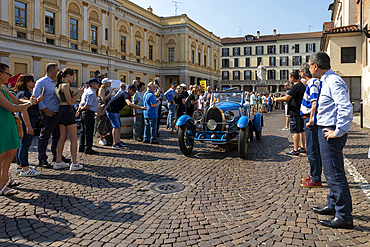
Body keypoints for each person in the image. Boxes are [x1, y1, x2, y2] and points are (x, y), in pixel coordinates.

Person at [309, 52, 354, 229]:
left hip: (331, 132)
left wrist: (339, 131)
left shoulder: (333, 81)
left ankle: (344, 216)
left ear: (315, 66)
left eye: (309, 64)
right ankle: (334, 204)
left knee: (335, 174)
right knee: (330, 172)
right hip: (325, 129)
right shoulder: (327, 80)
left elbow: (345, 106)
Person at [0, 63, 40, 195]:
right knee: (1, 155)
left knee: (11, 152)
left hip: (8, 123)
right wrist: (29, 103)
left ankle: (5, 178)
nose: (10, 76)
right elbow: (12, 107)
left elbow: (17, 102)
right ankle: (1, 184)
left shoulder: (4, 88)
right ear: (0, 74)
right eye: (8, 74)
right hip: (2, 124)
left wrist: (32, 102)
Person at [33, 63, 71, 168]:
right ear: (51, 71)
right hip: (48, 113)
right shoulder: (41, 82)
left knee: (57, 136)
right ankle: (42, 159)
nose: (60, 72)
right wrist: (45, 110)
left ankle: (57, 156)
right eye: (58, 70)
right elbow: (36, 98)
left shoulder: (58, 82)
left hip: (59, 113)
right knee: (45, 136)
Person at [54, 68, 84, 171]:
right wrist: (79, 94)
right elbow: (70, 101)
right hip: (67, 111)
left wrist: (77, 92)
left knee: (62, 138)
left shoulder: (58, 86)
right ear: (68, 75)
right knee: (73, 138)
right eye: (73, 76)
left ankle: (58, 161)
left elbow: (68, 99)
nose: (74, 78)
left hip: (61, 111)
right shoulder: (65, 86)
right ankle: (74, 163)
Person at [14, 74, 43, 176]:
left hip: (24, 122)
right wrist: (28, 125)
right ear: (26, 82)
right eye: (32, 81)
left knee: (21, 145)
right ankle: (25, 169)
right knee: (24, 145)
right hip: (26, 122)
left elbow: (28, 105)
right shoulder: (24, 93)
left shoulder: (21, 93)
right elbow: (24, 110)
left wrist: (37, 101)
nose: (34, 83)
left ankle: (20, 166)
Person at [298, 63, 322, 188]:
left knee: (312, 150)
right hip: (309, 118)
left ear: (303, 72)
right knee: (313, 149)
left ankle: (316, 178)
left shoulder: (312, 83)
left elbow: (314, 102)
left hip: (309, 119)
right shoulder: (313, 83)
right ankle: (314, 175)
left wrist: (311, 120)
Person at [275, 71, 306, 156]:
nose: (289, 80)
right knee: (301, 130)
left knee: (295, 131)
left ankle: (295, 150)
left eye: (289, 78)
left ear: (292, 78)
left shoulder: (295, 87)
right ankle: (303, 148)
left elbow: (287, 97)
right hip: (301, 111)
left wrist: (277, 99)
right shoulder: (302, 86)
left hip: (294, 111)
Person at [106, 84, 146, 149]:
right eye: (133, 91)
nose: (134, 92)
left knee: (119, 126)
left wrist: (135, 104)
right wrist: (140, 108)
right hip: (111, 110)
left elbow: (130, 106)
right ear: (129, 90)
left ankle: (118, 141)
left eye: (135, 91)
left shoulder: (128, 95)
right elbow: (129, 103)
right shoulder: (126, 94)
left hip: (115, 111)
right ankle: (115, 143)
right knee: (116, 127)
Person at [77, 78, 100, 155]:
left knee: (83, 130)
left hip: (85, 113)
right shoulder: (91, 93)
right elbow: (87, 105)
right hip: (89, 113)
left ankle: (81, 147)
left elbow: (81, 102)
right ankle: (88, 148)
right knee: (89, 131)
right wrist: (81, 109)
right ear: (92, 84)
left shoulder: (86, 91)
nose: (98, 85)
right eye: (97, 83)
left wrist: (80, 109)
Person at [96, 78, 114, 145]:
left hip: (107, 108)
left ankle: (108, 137)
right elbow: (103, 99)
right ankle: (101, 138)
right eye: (109, 83)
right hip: (102, 108)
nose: (110, 84)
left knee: (107, 123)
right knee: (102, 123)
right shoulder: (101, 90)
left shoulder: (107, 90)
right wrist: (110, 93)